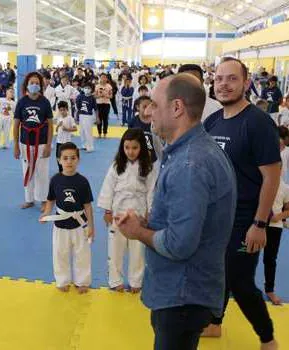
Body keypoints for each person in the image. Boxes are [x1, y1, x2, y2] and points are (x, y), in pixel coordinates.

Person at [114, 73, 237, 350]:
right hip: (185, 292)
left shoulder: (190, 165)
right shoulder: (194, 152)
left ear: (177, 108)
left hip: (182, 295)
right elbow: (187, 221)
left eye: (154, 105)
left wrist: (138, 232)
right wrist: (149, 222)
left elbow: (180, 244)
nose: (147, 111)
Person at [203, 58, 280, 350]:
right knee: (215, 270)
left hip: (246, 218)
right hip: (217, 217)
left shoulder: (258, 123)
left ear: (246, 83)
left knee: (240, 281)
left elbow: (271, 176)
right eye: (219, 78)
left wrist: (259, 224)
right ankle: (213, 322)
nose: (224, 84)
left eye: (232, 79)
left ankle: (267, 338)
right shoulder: (213, 121)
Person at [98, 128, 154, 293]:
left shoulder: (148, 168)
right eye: (127, 147)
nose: (130, 151)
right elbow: (108, 188)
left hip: (138, 215)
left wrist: (149, 212)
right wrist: (107, 210)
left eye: (135, 148)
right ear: (122, 148)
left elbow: (152, 191)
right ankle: (115, 280)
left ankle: (136, 281)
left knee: (138, 252)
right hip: (118, 215)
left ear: (142, 148)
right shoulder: (117, 166)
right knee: (115, 250)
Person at [39, 142, 94, 294]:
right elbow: (50, 200)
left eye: (73, 158)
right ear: (59, 160)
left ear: (78, 160)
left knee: (82, 254)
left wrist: (91, 226)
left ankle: (82, 281)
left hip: (79, 224)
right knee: (60, 253)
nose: (69, 161)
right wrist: (46, 213)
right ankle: (62, 280)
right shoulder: (55, 180)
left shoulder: (82, 182)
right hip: (60, 224)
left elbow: (88, 206)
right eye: (65, 158)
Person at [13, 72, 54, 211]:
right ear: (27, 85)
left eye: (37, 83)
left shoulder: (45, 102)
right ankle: (29, 199)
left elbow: (50, 125)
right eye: (32, 83)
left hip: (41, 142)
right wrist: (16, 146)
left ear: (41, 85)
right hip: (25, 143)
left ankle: (43, 200)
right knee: (27, 170)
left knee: (42, 172)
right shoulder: (22, 102)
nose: (34, 85)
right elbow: (16, 124)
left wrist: (49, 145)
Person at [262, 128, 289, 306]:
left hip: (275, 227)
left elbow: (288, 209)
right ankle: (236, 285)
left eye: (278, 168)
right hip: (256, 225)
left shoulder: (285, 188)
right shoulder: (259, 183)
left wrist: (278, 216)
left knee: (270, 258)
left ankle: (270, 290)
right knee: (244, 254)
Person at [54, 101, 77, 172]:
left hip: (67, 141)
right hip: (59, 141)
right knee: (58, 157)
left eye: (64, 110)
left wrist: (67, 129)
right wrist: (58, 126)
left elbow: (75, 129)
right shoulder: (59, 118)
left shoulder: (70, 118)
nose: (62, 112)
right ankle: (60, 170)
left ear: (67, 109)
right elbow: (56, 130)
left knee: (66, 157)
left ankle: (66, 170)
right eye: (61, 110)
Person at [75, 82, 98, 152]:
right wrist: (76, 117)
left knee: (88, 131)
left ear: (91, 89)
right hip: (81, 115)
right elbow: (77, 108)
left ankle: (90, 147)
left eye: (88, 88)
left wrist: (97, 118)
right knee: (81, 131)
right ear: (83, 89)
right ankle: (84, 145)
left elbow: (96, 109)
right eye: (85, 88)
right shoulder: (80, 97)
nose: (87, 89)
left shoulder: (92, 98)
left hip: (88, 116)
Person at [95, 73, 113, 137]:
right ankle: (99, 133)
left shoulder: (109, 86)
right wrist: (99, 95)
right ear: (100, 78)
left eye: (104, 77)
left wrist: (106, 95)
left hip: (106, 104)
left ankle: (105, 133)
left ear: (106, 78)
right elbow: (95, 96)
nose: (103, 79)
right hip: (98, 104)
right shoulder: (97, 86)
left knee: (105, 119)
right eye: (102, 77)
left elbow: (111, 96)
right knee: (99, 119)